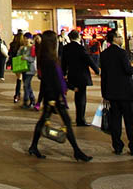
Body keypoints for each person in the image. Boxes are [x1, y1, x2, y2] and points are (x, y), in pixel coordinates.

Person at [28, 30, 91, 161]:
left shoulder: (46, 57)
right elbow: (53, 80)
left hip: (52, 97)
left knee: (44, 121)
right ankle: (76, 151)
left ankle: (34, 146)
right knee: (66, 122)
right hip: (54, 97)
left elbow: (53, 79)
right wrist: (56, 97)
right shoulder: (49, 59)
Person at [99, 29, 133, 157]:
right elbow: (128, 70)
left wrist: (104, 93)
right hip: (126, 92)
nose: (122, 39)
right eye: (120, 36)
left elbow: (103, 76)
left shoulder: (104, 54)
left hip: (112, 93)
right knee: (130, 121)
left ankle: (117, 146)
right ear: (115, 38)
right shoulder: (122, 53)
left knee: (115, 121)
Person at [61, 29, 98, 126]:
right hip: (82, 76)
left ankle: (79, 118)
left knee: (78, 96)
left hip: (72, 75)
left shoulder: (66, 48)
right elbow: (88, 60)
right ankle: (80, 119)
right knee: (82, 97)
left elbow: (63, 63)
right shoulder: (80, 48)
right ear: (78, 37)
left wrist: (63, 74)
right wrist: (97, 70)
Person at [17, 33, 36, 108]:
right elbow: (18, 56)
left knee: (26, 85)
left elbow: (32, 59)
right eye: (24, 38)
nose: (25, 40)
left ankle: (26, 101)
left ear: (31, 39)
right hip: (24, 69)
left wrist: (25, 57)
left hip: (30, 69)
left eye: (27, 38)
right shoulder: (22, 48)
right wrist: (20, 50)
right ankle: (32, 100)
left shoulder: (32, 48)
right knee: (27, 85)